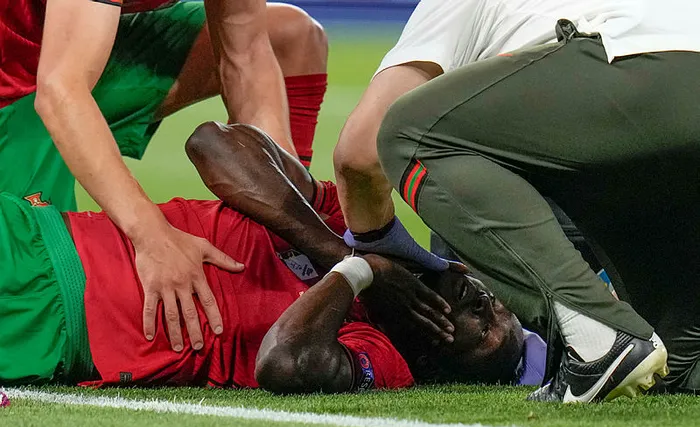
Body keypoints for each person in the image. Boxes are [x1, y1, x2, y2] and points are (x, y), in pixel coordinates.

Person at [0, 123, 545, 392]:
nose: (486, 303)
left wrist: (359, 275)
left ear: (432, 362)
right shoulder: (350, 225)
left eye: (484, 332)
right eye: (500, 306)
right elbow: (211, 143)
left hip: (53, 331)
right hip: (32, 234)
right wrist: (341, 252)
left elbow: (286, 364)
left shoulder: (382, 355)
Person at [368, 0, 700, 401]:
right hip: (661, 126)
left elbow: (357, 153)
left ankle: (598, 336)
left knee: (407, 134)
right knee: (679, 361)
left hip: (652, 74)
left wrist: (379, 257)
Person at [0, 0, 328, 354]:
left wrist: (290, 220)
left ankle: (290, 264)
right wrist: (153, 237)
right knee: (41, 292)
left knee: (289, 35)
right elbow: (60, 89)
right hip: (17, 78)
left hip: (78, 44)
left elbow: (246, 54)